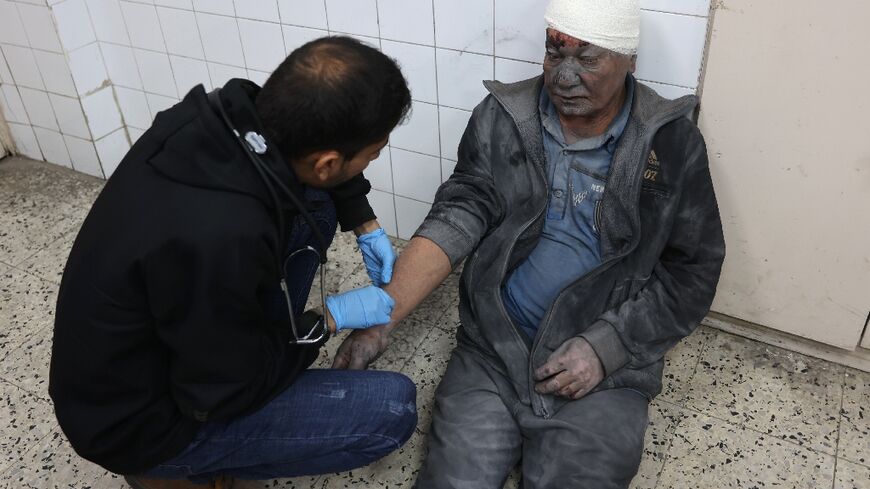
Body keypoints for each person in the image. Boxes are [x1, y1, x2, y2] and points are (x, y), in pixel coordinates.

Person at [330, 0, 726, 487]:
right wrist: (381, 319)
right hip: (493, 349)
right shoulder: (503, 118)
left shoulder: (670, 144)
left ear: (630, 61)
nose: (564, 76)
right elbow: (460, 213)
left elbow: (692, 271)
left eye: (588, 58)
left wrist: (608, 346)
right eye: (555, 53)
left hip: (604, 369)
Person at [49, 37, 415, 489]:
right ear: (327, 161)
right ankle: (179, 471)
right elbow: (220, 390)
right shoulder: (222, 237)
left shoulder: (230, 110)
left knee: (315, 207)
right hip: (139, 420)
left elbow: (319, 167)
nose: (371, 160)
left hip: (170, 331)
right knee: (390, 410)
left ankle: (263, 338)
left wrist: (363, 220)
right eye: (372, 154)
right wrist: (326, 320)